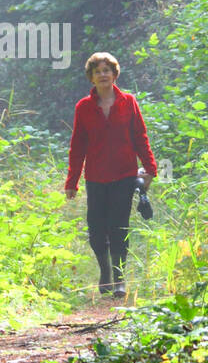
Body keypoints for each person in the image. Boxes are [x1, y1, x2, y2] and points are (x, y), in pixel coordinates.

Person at [64, 52, 158, 299]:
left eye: (107, 70)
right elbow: (77, 146)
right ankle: (105, 271)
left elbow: (140, 136)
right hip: (95, 177)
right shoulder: (83, 107)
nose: (103, 75)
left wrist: (150, 169)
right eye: (98, 71)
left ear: (115, 74)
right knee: (96, 230)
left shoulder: (129, 102)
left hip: (124, 175)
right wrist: (72, 181)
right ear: (91, 78)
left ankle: (118, 277)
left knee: (118, 227)